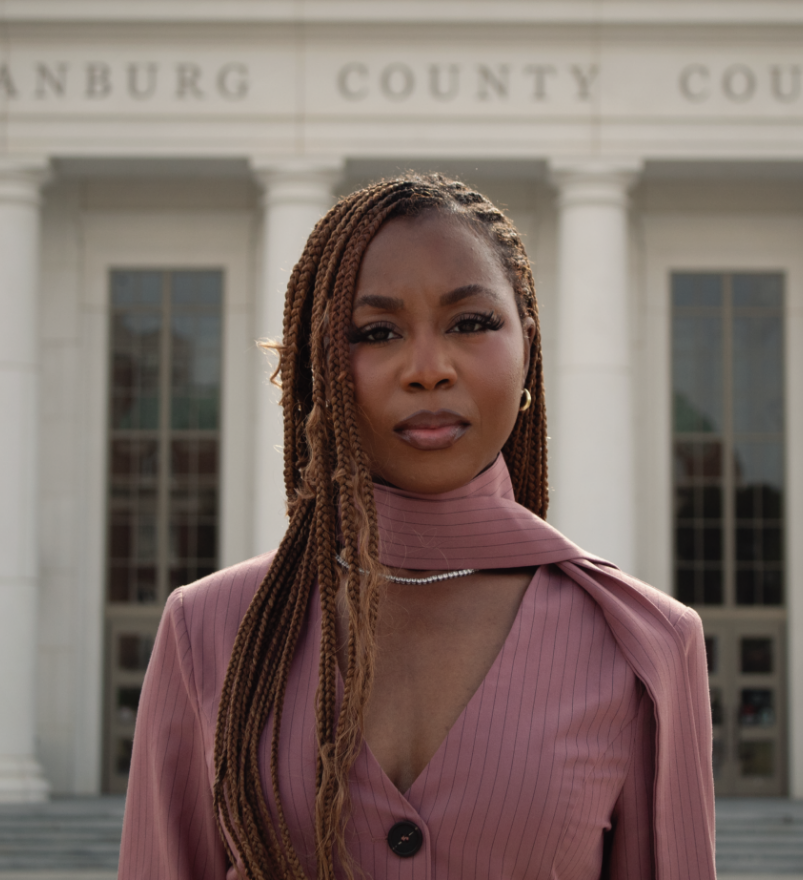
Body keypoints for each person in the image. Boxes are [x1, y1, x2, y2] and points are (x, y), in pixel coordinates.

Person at [117, 174, 717, 879]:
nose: (428, 370)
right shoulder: (205, 630)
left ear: (528, 346)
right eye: (377, 332)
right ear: (317, 369)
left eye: (471, 323)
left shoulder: (646, 646)